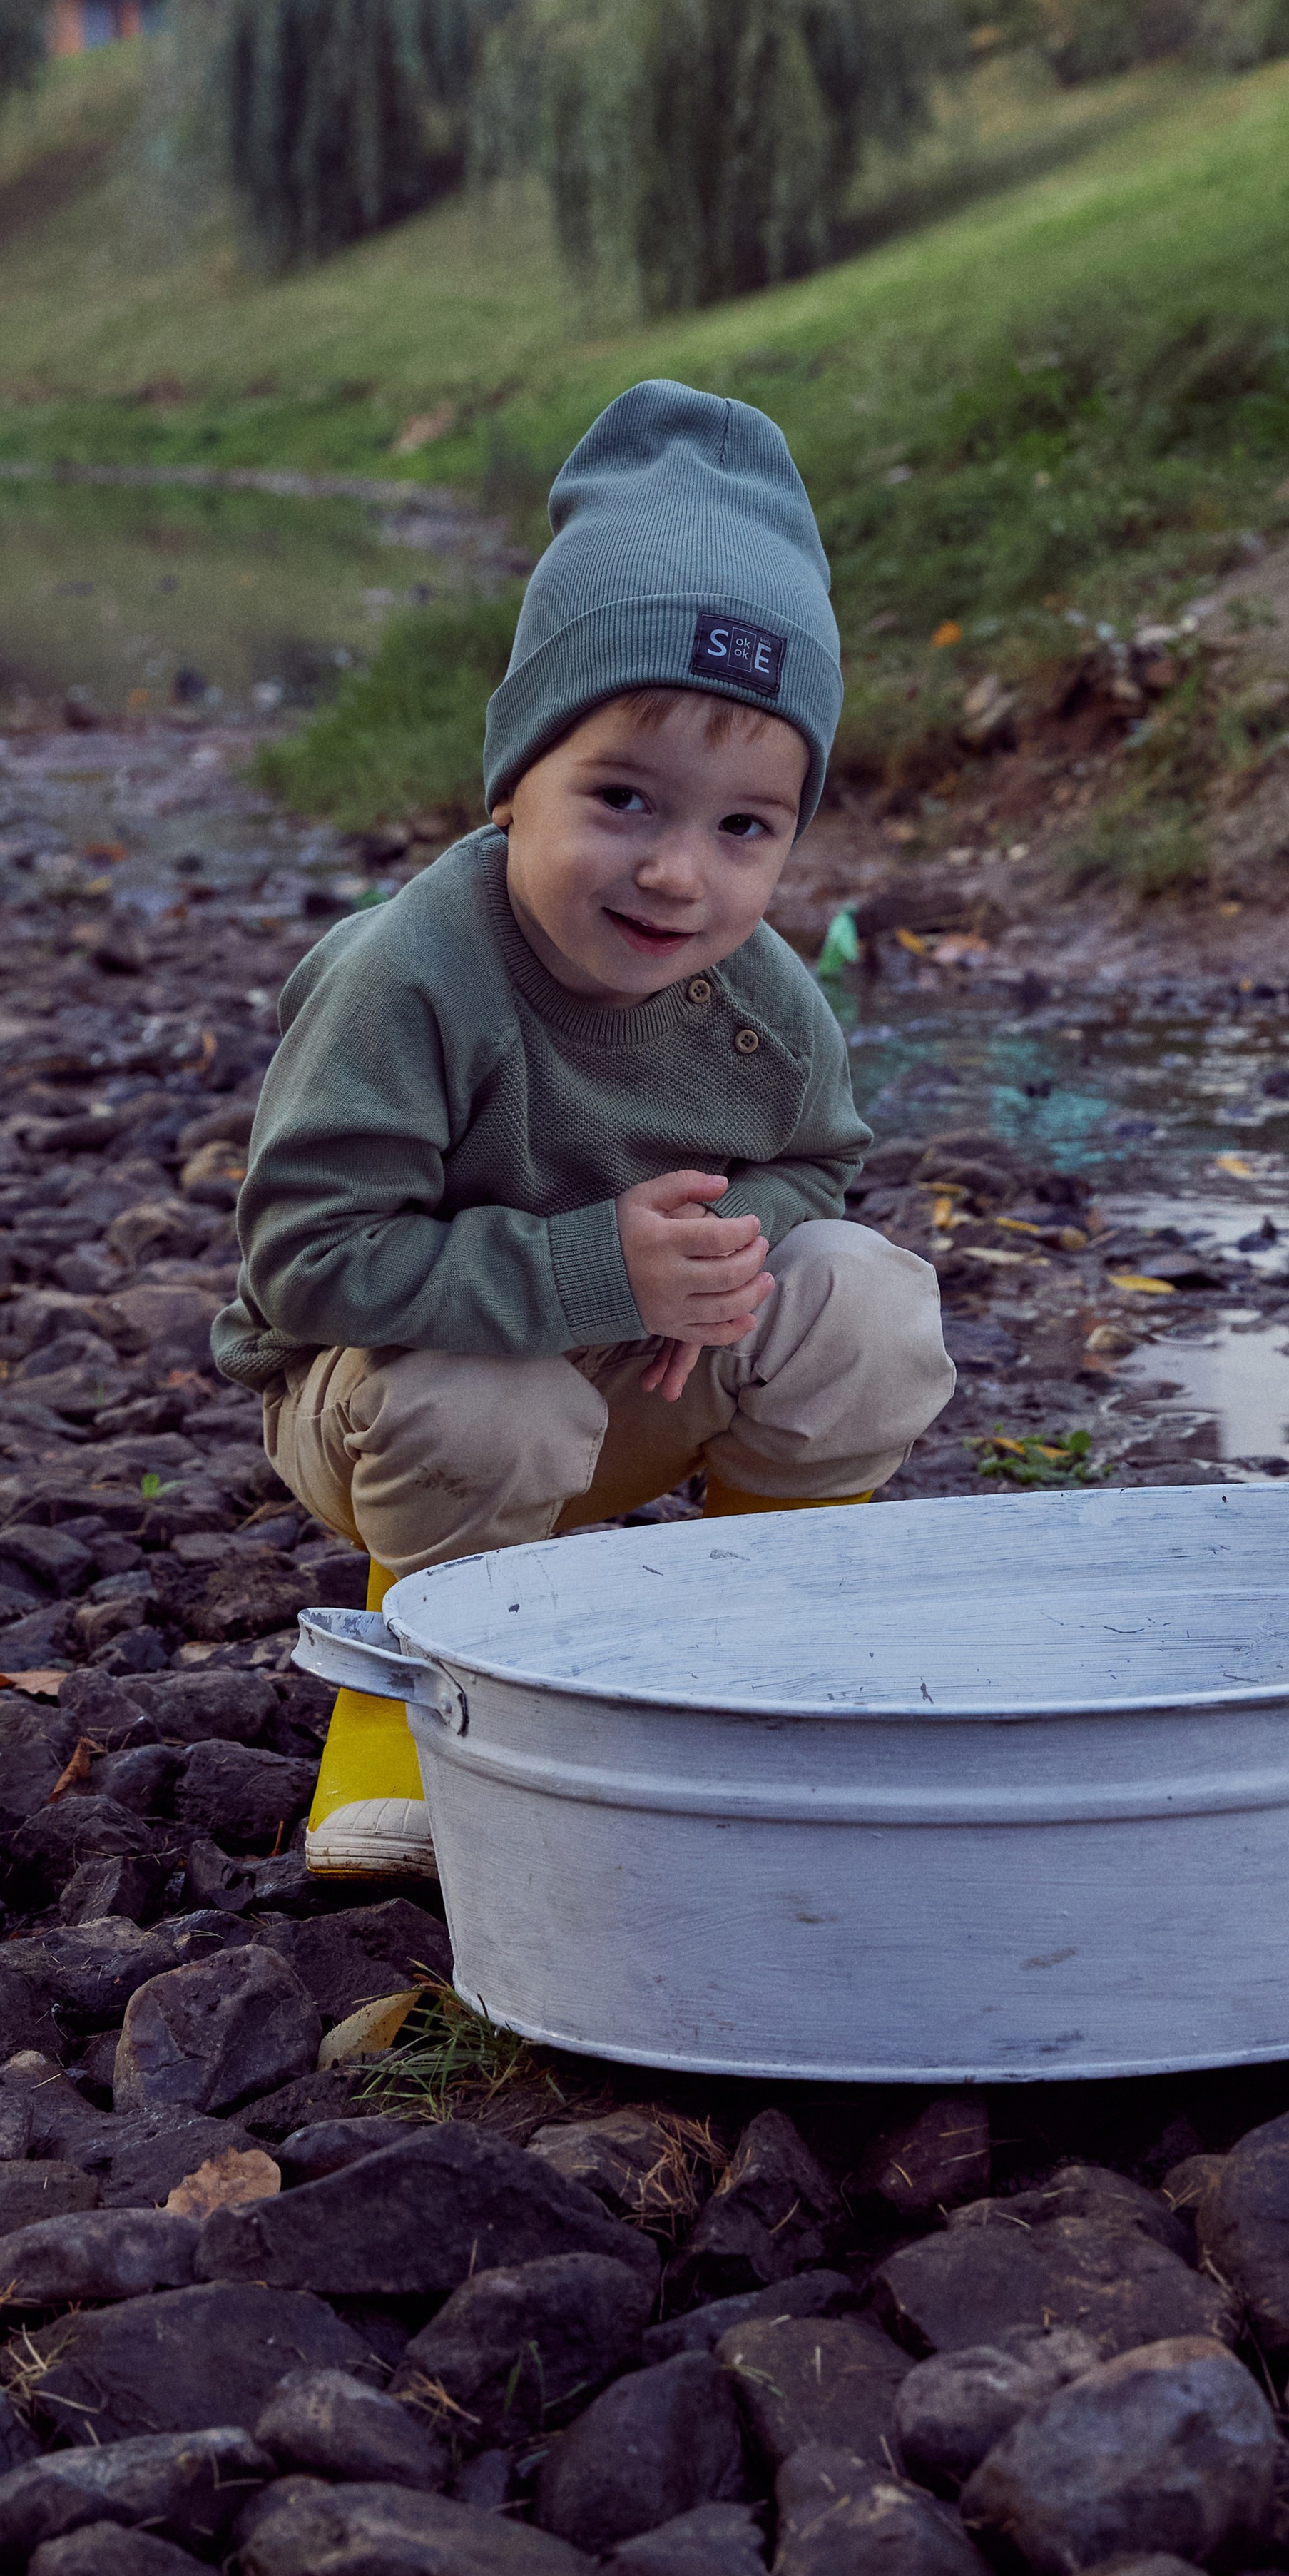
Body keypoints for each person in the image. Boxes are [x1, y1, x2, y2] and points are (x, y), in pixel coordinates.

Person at [212, 380, 954, 1877]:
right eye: (622, 799)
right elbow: (304, 1261)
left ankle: (752, 1660)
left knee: (870, 1305)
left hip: (632, 1373)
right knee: (486, 1406)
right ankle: (409, 1732)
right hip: (387, 1399)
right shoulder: (409, 979)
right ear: (513, 785)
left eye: (742, 827)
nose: (678, 874)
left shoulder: (759, 997)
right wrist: (595, 1271)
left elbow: (818, 1159)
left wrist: (719, 1260)